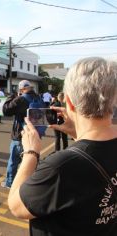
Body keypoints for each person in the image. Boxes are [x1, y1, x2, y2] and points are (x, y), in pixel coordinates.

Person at [8, 57, 117, 236]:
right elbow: (96, 152)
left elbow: (16, 206)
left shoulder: (60, 166)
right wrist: (78, 134)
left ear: (69, 102)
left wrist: (31, 152)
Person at [1, 80, 41, 188]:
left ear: (22, 89)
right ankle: (30, 184)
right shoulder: (38, 98)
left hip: (20, 135)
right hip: (34, 135)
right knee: (31, 162)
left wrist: (11, 97)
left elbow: (6, 110)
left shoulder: (21, 99)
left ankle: (10, 183)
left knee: (13, 162)